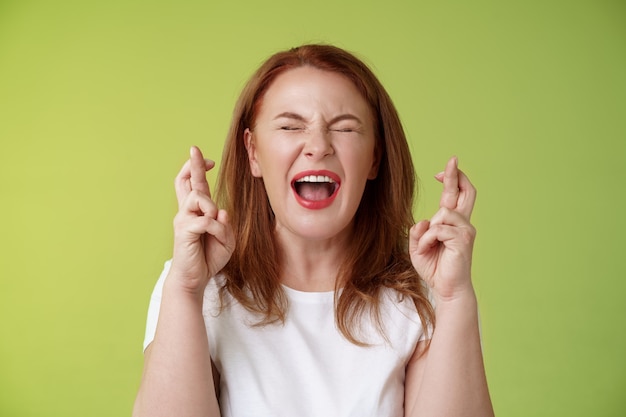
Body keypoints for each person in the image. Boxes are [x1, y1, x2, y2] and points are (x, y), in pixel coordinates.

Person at [133, 44, 494, 417]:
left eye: (344, 128)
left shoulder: (425, 293)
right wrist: (186, 288)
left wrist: (454, 298)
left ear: (375, 158)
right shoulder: (194, 286)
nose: (318, 147)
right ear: (253, 152)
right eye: (290, 126)